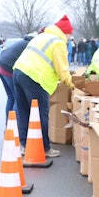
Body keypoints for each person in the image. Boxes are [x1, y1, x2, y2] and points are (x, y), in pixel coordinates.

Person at [13, 15, 75, 158]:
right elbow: (62, 70)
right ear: (66, 32)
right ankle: (45, 148)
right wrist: (73, 84)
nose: (70, 37)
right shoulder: (58, 42)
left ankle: (24, 145)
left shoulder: (41, 37)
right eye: (70, 34)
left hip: (18, 72)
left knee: (24, 111)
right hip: (35, 78)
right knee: (41, 113)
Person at [0, 32, 37, 123]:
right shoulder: (30, 45)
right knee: (17, 98)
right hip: (9, 68)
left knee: (11, 97)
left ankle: (8, 125)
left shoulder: (22, 42)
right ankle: (13, 125)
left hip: (1, 65)